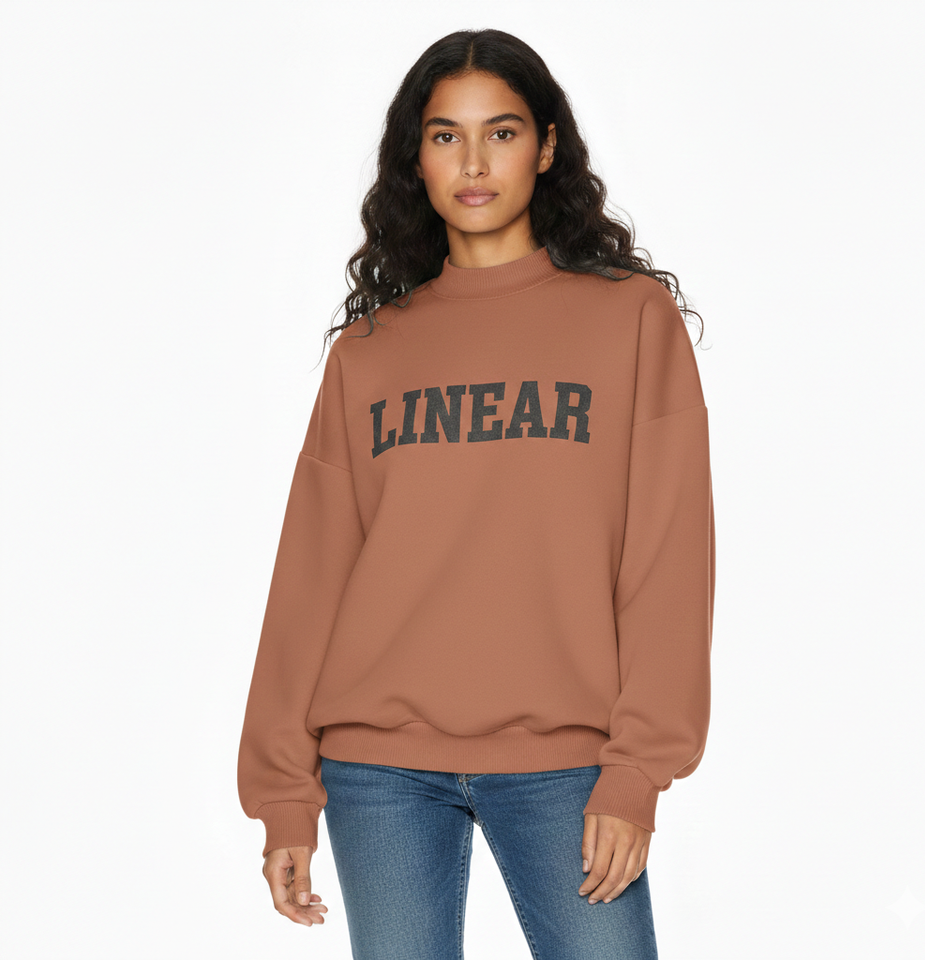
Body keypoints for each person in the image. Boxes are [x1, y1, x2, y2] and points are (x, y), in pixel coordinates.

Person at [237, 27, 715, 960]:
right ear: (414, 159)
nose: (474, 162)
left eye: (501, 132)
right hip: (377, 767)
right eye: (445, 136)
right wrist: (284, 792)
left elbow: (669, 554)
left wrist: (636, 770)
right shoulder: (370, 352)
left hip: (568, 762)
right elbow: (311, 575)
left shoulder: (630, 320)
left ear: (546, 147)